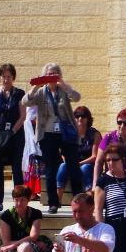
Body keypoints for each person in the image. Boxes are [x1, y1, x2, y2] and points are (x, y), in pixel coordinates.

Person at [25, 63, 82, 214]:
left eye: (55, 73)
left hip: (66, 132)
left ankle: (79, 201)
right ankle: (53, 203)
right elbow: (25, 101)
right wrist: (37, 85)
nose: (52, 76)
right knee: (50, 169)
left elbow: (77, 97)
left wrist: (64, 85)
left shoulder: (63, 90)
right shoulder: (42, 92)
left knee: (73, 167)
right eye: (50, 74)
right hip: (47, 134)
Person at [0, 63, 26, 211]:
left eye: (9, 77)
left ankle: (20, 201)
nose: (6, 79)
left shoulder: (19, 93)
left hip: (14, 136)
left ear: (13, 78)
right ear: (0, 77)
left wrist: (12, 132)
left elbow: (23, 116)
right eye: (3, 76)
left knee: (16, 169)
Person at [60, 106, 99, 194]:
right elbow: (63, 153)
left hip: (88, 165)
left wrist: (79, 164)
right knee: (63, 166)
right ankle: (56, 200)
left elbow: (95, 156)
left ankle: (89, 198)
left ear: (88, 119)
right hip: (72, 164)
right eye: (77, 116)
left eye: (83, 116)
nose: (80, 119)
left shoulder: (94, 134)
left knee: (85, 168)